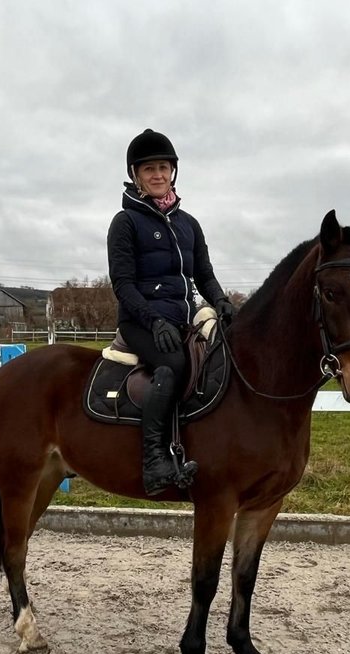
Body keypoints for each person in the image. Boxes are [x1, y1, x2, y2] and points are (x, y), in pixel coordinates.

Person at [107, 128, 236, 496]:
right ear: (136, 175)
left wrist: (221, 301)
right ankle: (155, 462)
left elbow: (204, 275)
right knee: (174, 365)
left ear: (173, 172)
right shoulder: (126, 223)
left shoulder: (188, 224)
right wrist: (153, 319)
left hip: (182, 318)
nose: (158, 175)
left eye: (163, 167)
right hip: (140, 321)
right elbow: (123, 284)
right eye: (149, 169)